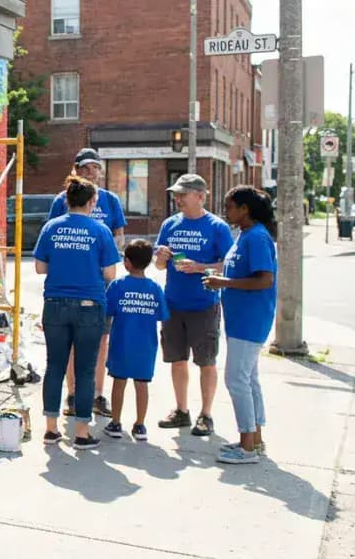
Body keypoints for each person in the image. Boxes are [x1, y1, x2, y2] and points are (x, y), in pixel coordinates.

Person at [33, 176, 119, 449]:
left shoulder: (51, 227)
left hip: (55, 303)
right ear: (92, 201)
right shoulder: (101, 230)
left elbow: (39, 267)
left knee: (55, 365)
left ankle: (50, 428)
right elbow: (110, 273)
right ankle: (82, 432)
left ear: (67, 200)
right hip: (89, 305)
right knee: (85, 369)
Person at [153, 174, 234, 437]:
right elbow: (159, 265)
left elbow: (229, 265)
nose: (177, 199)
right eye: (176, 194)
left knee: (206, 361)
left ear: (200, 196)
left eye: (182, 195)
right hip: (173, 303)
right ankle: (181, 410)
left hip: (204, 304)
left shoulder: (217, 227)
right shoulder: (170, 224)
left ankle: (206, 414)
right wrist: (162, 257)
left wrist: (200, 267)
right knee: (177, 359)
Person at [48, 147, 126, 418]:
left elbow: (119, 236)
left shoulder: (110, 200)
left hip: (100, 284)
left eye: (95, 168)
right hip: (68, 284)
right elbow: (52, 241)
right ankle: (72, 395)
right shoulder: (61, 200)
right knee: (70, 343)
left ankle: (96, 395)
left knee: (101, 342)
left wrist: (106, 258)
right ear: (76, 170)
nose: (91, 172)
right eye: (85, 168)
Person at [204, 186, 278, 465]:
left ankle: (246, 447)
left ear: (245, 209)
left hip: (250, 320)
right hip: (241, 321)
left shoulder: (257, 237)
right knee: (249, 380)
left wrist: (224, 283)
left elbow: (264, 280)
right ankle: (254, 440)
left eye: (230, 206)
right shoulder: (246, 235)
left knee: (235, 380)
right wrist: (219, 277)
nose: (227, 211)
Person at [103, 240, 168, 442]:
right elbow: (162, 315)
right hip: (146, 346)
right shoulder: (155, 288)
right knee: (142, 385)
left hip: (121, 343)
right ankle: (140, 425)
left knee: (118, 382)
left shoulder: (118, 285)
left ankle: (115, 421)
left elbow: (108, 310)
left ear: (127, 262)